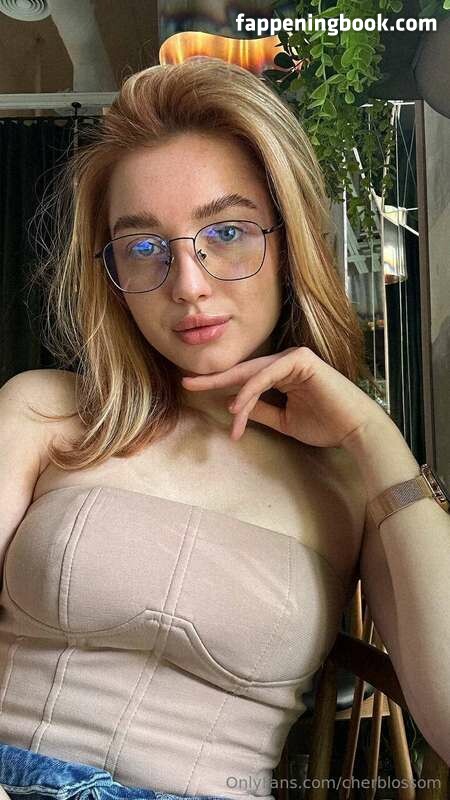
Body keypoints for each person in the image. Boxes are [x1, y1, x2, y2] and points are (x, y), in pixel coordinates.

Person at [0, 56, 449, 800]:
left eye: (229, 231)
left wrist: (377, 441)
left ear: (290, 244)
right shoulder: (44, 410)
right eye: (144, 247)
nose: (189, 284)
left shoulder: (354, 480)